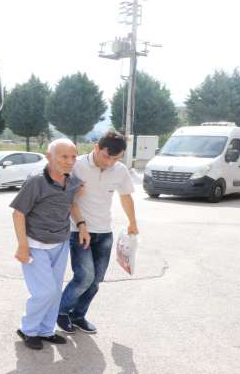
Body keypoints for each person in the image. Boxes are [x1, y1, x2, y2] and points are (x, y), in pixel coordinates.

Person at [57, 130, 139, 334]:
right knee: (84, 277)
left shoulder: (120, 170)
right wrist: (81, 224)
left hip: (104, 232)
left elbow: (126, 196)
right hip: (79, 229)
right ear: (96, 148)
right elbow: (69, 199)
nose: (110, 162)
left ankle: (78, 315)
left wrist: (133, 222)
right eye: (106, 156)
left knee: (95, 281)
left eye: (115, 158)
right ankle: (60, 311)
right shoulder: (76, 165)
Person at [10, 138, 89, 350]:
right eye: (64, 156)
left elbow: (71, 204)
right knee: (44, 291)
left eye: (73, 157)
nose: (69, 161)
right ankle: (28, 329)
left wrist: (81, 224)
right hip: (36, 244)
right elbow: (18, 214)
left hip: (60, 243)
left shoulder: (71, 182)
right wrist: (22, 245)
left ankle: (46, 330)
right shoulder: (36, 181)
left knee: (55, 291)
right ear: (49, 157)